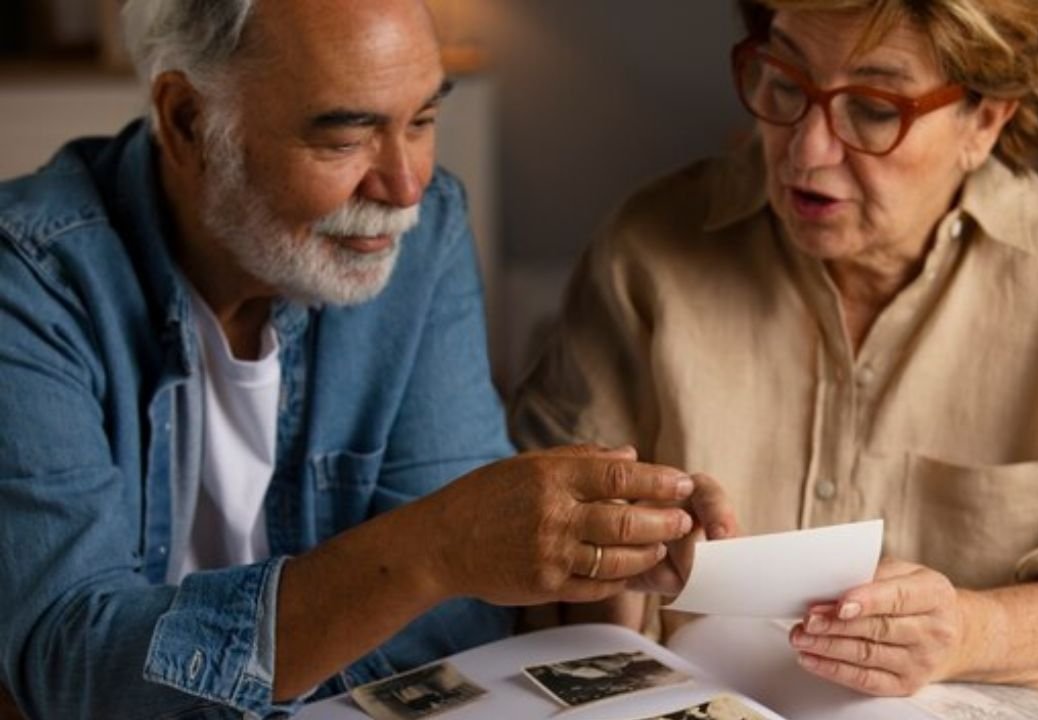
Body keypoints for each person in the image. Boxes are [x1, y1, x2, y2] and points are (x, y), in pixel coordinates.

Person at [0, 1, 734, 718]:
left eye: (421, 121)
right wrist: (433, 549)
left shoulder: (421, 232)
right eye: (345, 139)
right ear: (189, 121)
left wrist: (568, 556)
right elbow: (72, 671)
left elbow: (462, 622)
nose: (406, 186)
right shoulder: (29, 278)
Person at [512, 0, 1038, 697]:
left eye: (875, 109)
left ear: (987, 117)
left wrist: (972, 631)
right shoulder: (647, 252)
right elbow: (527, 565)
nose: (808, 150)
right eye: (786, 84)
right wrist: (610, 561)